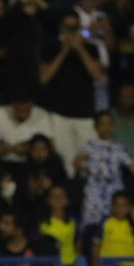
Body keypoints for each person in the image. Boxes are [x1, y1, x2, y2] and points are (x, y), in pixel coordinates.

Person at [39, 10, 102, 176]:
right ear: (61, 29)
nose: (72, 32)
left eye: (75, 28)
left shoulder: (91, 48)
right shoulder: (51, 47)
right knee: (66, 161)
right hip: (60, 114)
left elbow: (98, 75)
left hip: (85, 114)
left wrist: (80, 49)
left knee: (89, 161)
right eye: (68, 28)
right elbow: (44, 78)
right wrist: (64, 51)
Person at [76, 112, 134, 236]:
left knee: (114, 228)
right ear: (96, 127)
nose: (106, 127)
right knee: (91, 230)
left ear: (114, 126)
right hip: (95, 196)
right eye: (102, 124)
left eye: (109, 124)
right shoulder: (90, 146)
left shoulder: (119, 148)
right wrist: (85, 167)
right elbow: (77, 162)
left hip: (114, 196)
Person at [92, 191, 134, 266]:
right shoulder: (106, 222)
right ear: (113, 207)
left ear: (129, 207)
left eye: (124, 206)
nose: (120, 209)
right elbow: (96, 246)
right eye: (117, 206)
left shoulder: (133, 223)